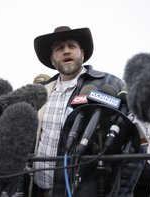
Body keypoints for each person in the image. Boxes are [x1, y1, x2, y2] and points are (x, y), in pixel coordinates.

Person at [29, 26, 140, 197]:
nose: (66, 51)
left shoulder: (111, 84)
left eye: (71, 46)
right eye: (59, 48)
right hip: (37, 189)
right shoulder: (40, 92)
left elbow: (136, 143)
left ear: (82, 53)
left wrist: (121, 192)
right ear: (52, 59)